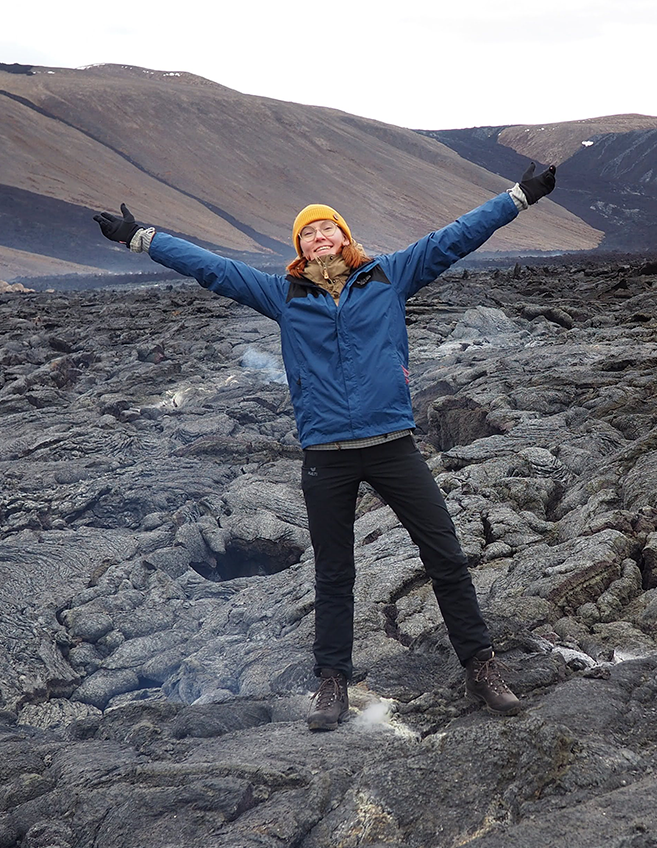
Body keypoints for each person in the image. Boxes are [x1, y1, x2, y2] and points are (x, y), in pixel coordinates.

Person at [94, 164, 557, 731]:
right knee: (334, 574)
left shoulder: (388, 276)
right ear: (300, 248)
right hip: (327, 454)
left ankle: (481, 667)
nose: (318, 237)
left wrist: (520, 196)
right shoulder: (283, 294)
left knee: (446, 558)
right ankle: (332, 683)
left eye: (327, 229)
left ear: (344, 236)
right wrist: (142, 238)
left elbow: (457, 236)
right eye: (307, 233)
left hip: (393, 444)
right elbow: (213, 269)